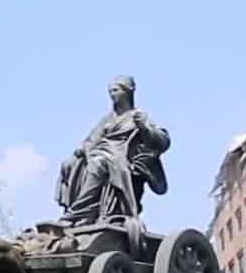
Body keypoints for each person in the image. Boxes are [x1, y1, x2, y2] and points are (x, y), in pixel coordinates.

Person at [54, 74, 170, 226]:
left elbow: (162, 141)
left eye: (116, 90)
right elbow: (92, 139)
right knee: (69, 163)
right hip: (102, 151)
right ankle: (85, 213)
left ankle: (76, 214)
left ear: (127, 91)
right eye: (110, 92)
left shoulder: (138, 116)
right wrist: (82, 147)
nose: (112, 95)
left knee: (98, 163)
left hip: (121, 156)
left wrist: (144, 128)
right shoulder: (108, 118)